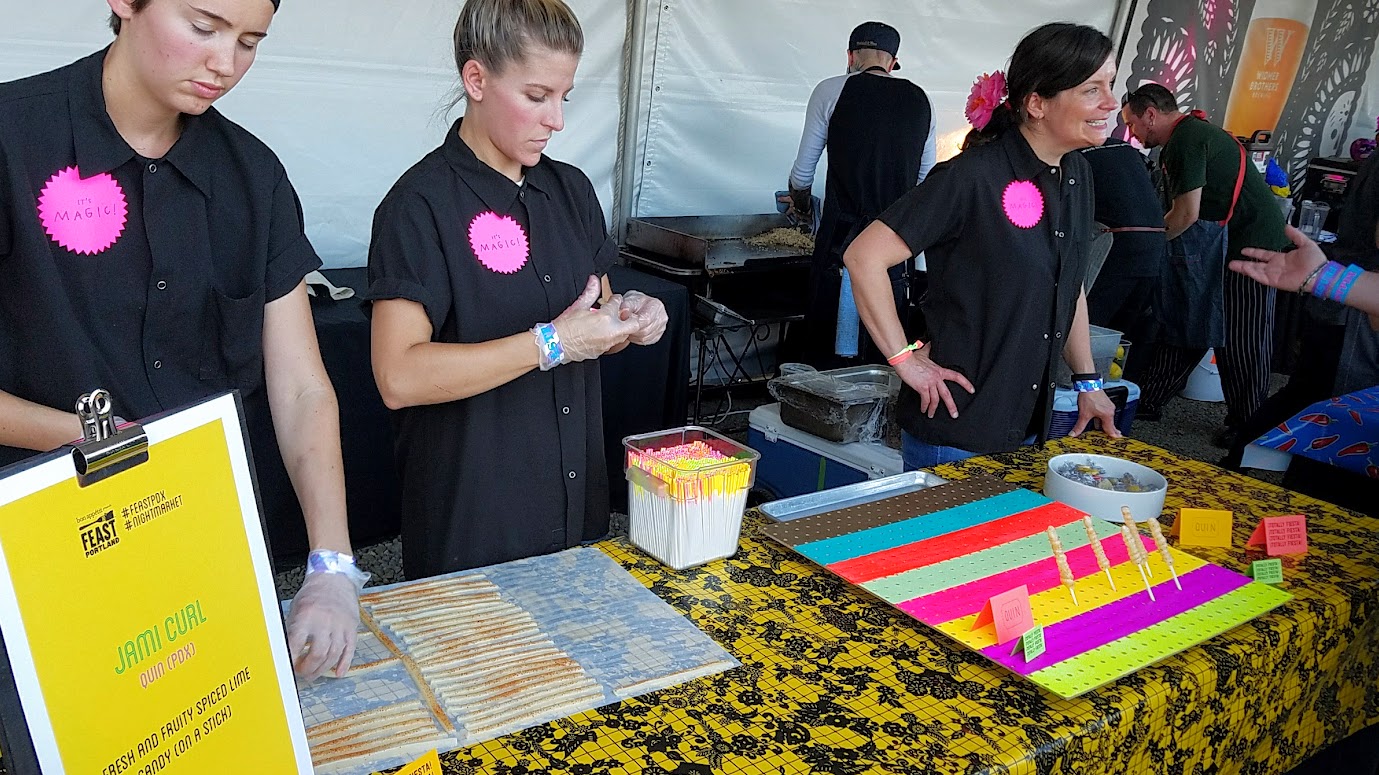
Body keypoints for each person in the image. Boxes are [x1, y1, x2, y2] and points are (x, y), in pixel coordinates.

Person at [0, 0, 362, 680]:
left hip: (199, 542)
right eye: (203, 28)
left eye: (250, 42)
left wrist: (332, 563)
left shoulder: (253, 178)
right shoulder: (13, 139)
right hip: (41, 552)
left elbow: (302, 386)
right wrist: (91, 436)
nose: (225, 64)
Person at [367, 0, 667, 580]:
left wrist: (631, 317)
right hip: (476, 520)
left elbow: (597, 319)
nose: (556, 119)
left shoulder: (570, 191)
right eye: (536, 96)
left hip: (573, 500)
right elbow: (398, 378)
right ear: (475, 79)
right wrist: (551, 343)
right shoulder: (419, 206)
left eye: (564, 97)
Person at [843, 22, 1123, 470]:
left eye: (1110, 85)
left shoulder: (1078, 176)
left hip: (1028, 427)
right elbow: (863, 257)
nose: (1111, 103)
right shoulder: (971, 177)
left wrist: (1089, 384)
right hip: (957, 430)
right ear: (1037, 103)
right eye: (1093, 89)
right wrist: (905, 360)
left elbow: (1069, 285)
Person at [1120, 84, 1289, 441]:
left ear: (1151, 114)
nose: (1131, 134)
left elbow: (1186, 213)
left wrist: (1146, 244)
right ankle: (1149, 398)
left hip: (1251, 244)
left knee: (1243, 334)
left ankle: (1248, 425)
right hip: (1218, 242)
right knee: (1189, 317)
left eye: (1132, 123)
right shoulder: (1188, 135)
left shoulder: (1188, 138)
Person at [781, 21, 937, 368]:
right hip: (896, 243)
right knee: (886, 343)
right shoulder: (921, 100)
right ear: (893, 61)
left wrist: (802, 205)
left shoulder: (830, 91)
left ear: (850, 56)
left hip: (841, 239)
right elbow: (928, 183)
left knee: (826, 349)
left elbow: (802, 174)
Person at [1077, 136, 1167, 384]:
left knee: (1091, 325)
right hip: (1155, 243)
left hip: (1118, 246)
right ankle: (1118, 396)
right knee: (1128, 331)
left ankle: (1083, 394)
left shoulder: (1074, 154)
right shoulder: (1125, 149)